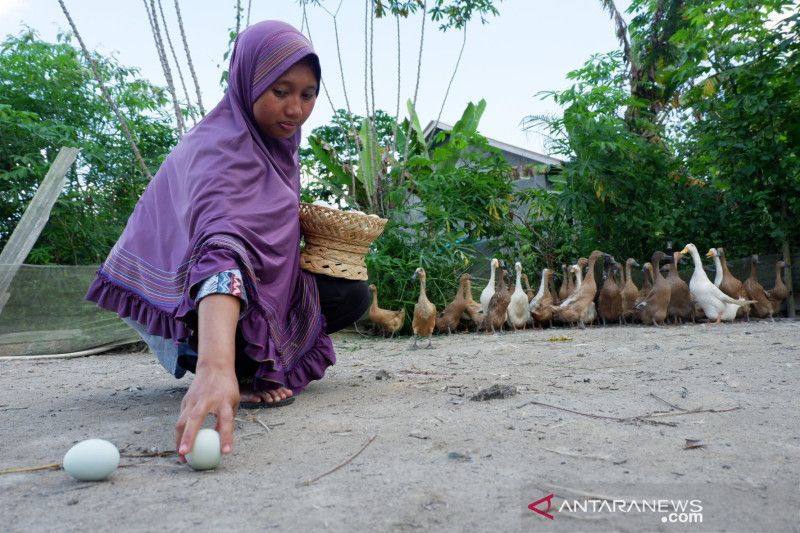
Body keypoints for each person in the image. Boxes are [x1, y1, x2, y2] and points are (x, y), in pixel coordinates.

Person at [86, 21, 369, 463]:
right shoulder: (218, 150)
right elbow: (219, 254)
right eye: (280, 91)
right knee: (225, 280)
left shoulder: (278, 148)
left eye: (308, 94)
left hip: (242, 289)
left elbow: (265, 247)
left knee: (349, 294)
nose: (295, 109)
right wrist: (214, 367)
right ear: (247, 81)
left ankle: (253, 365)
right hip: (185, 305)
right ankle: (225, 370)